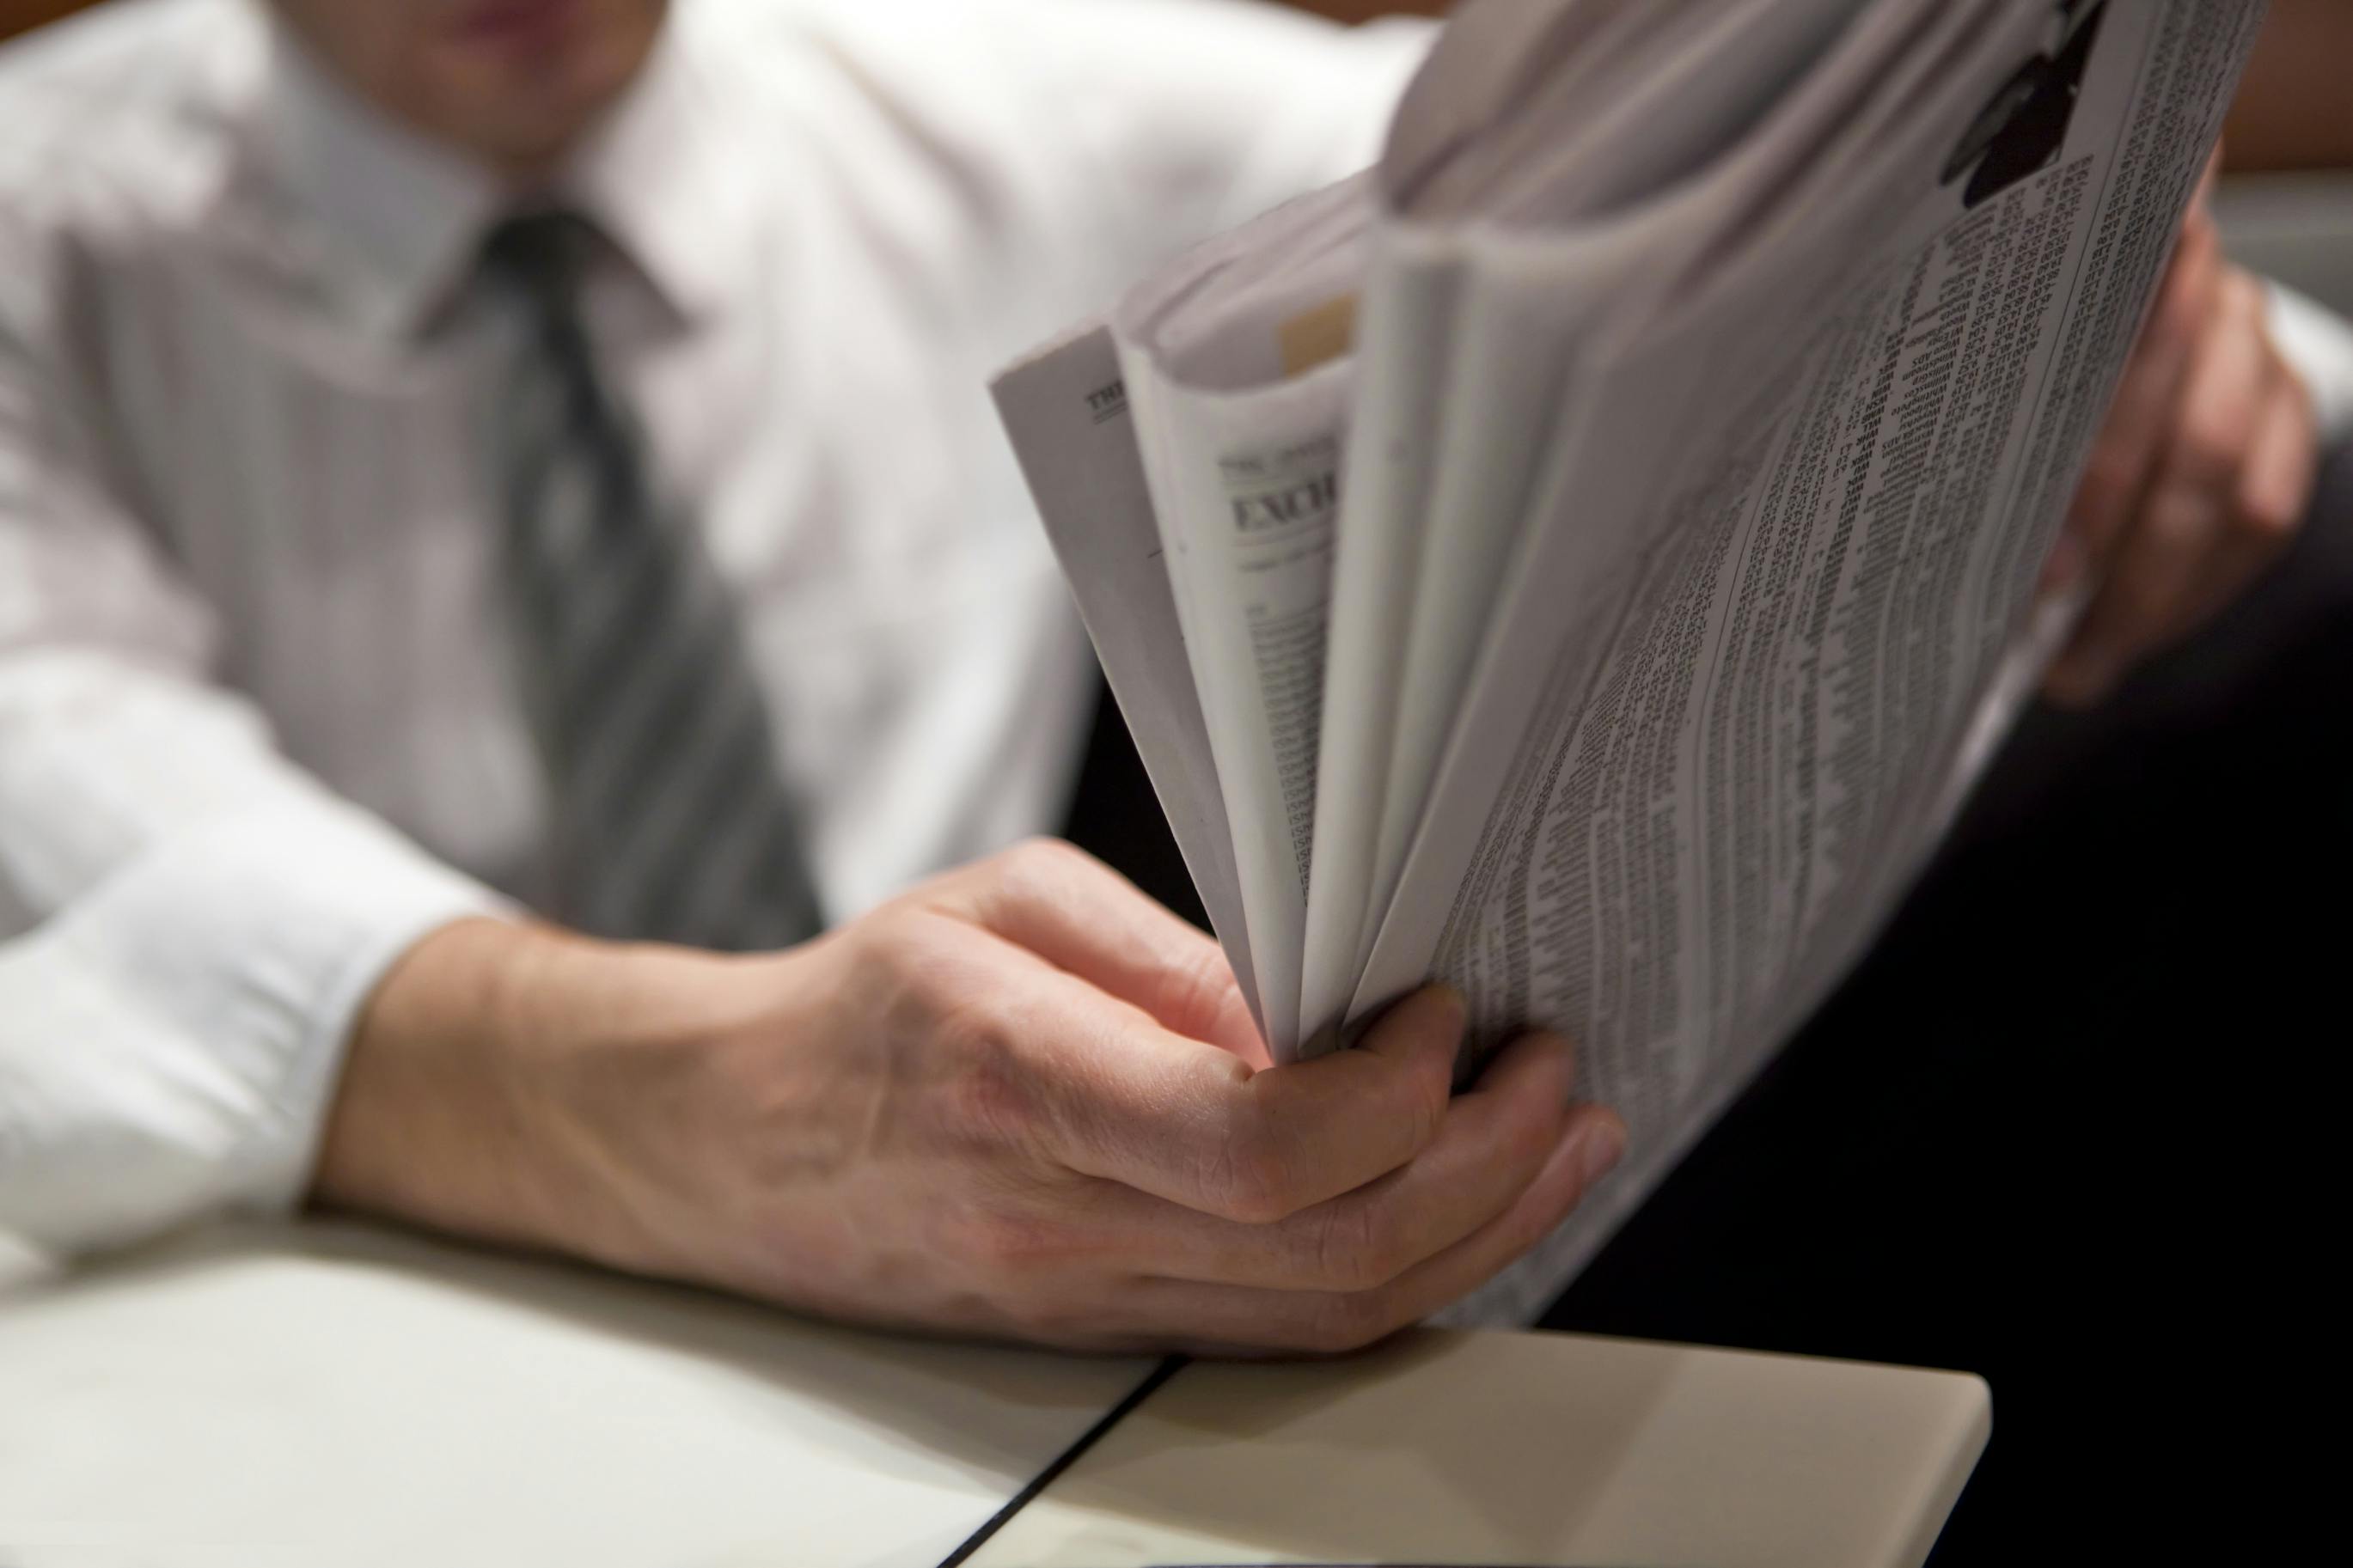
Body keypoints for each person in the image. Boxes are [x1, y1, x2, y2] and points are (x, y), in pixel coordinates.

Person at [0, 0, 2341, 1365]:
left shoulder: (966, 87)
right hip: (349, 1325)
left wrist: (2115, 288)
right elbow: (88, 794)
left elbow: (1586, 174)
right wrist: (703, 1106)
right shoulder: (50, 236)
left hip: (1042, 1326)